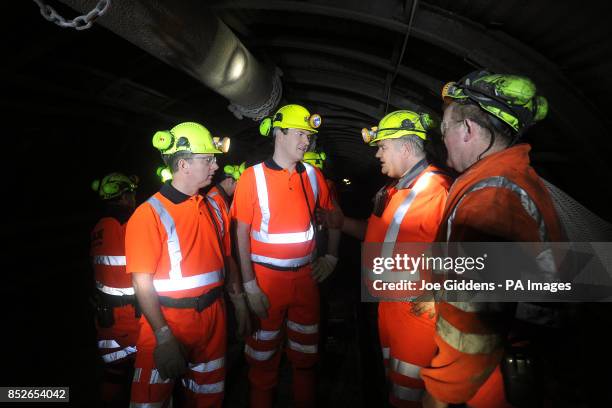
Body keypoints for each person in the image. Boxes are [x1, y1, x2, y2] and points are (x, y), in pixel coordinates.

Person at [419, 71, 563, 408]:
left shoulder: (491, 199)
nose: (443, 142)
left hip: (485, 384)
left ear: (467, 130)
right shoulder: (508, 178)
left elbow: (474, 325)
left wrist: (441, 393)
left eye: (445, 131)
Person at [319, 110, 452, 407]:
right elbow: (379, 235)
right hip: (389, 310)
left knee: (411, 394)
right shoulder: (395, 190)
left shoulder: (436, 190)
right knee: (395, 387)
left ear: (405, 147)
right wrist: (340, 222)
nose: (378, 154)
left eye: (383, 147)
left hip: (417, 316)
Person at [125, 121, 249, 407]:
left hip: (214, 319)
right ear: (183, 165)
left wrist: (239, 301)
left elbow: (226, 259)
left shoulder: (214, 208)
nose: (215, 166)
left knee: (209, 398)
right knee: (149, 402)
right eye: (207, 159)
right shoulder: (148, 215)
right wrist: (163, 335)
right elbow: (141, 282)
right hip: (169, 321)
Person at [231, 104, 339, 408]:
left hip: (306, 279)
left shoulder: (315, 176)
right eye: (301, 134)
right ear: (279, 133)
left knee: (305, 358)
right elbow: (240, 234)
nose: (307, 141)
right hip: (266, 282)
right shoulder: (252, 178)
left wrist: (331, 257)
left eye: (310, 136)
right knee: (262, 360)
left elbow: (335, 218)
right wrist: (250, 286)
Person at [90, 172, 140, 406]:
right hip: (133, 319)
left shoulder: (98, 228)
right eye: (131, 193)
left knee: (113, 376)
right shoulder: (129, 224)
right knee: (150, 378)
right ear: (124, 195)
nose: (133, 198)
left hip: (105, 320)